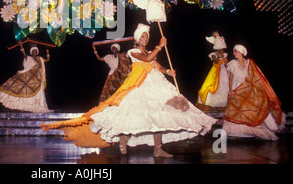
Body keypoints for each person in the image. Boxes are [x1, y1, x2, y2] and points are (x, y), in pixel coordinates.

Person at [42, 24, 217, 157]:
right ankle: (123, 140)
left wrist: (168, 71)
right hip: (139, 87)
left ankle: (158, 149)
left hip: (156, 85)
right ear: (136, 39)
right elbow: (148, 58)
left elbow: (156, 65)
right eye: (143, 36)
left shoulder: (150, 51)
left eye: (147, 36)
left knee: (158, 115)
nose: (145, 38)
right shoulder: (133, 51)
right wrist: (160, 46)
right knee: (131, 113)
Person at [222, 44, 286, 140]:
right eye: (234, 51)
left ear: (242, 52)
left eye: (236, 51)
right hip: (237, 89)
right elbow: (230, 79)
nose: (234, 53)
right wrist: (231, 90)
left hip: (248, 90)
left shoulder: (249, 63)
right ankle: (239, 132)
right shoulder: (233, 63)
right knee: (237, 110)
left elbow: (256, 76)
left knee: (256, 107)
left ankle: (271, 127)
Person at [0, 42, 52, 113]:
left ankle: (36, 107)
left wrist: (47, 51)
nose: (34, 52)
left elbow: (47, 60)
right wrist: (21, 45)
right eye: (33, 51)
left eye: (36, 51)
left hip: (37, 80)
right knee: (22, 90)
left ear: (37, 52)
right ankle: (22, 106)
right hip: (28, 78)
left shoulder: (40, 59)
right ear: (31, 52)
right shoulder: (28, 57)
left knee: (38, 93)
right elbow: (24, 53)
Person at [197, 32, 229, 110]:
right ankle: (215, 105)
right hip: (215, 72)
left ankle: (224, 105)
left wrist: (223, 58)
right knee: (212, 88)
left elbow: (226, 65)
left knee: (225, 87)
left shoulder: (225, 55)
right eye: (219, 49)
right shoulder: (213, 54)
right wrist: (219, 55)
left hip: (224, 72)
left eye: (221, 49)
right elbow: (216, 62)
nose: (220, 50)